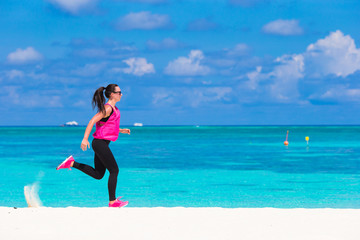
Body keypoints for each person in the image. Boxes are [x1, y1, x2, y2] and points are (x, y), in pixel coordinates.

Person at [56, 84, 130, 208]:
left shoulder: (115, 109)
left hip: (102, 143)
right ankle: (112, 202)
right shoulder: (108, 109)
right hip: (100, 144)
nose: (121, 94)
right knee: (114, 170)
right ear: (112, 94)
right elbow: (92, 121)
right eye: (119, 92)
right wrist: (85, 139)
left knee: (98, 174)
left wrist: (121, 130)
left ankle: (72, 163)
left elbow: (108, 126)